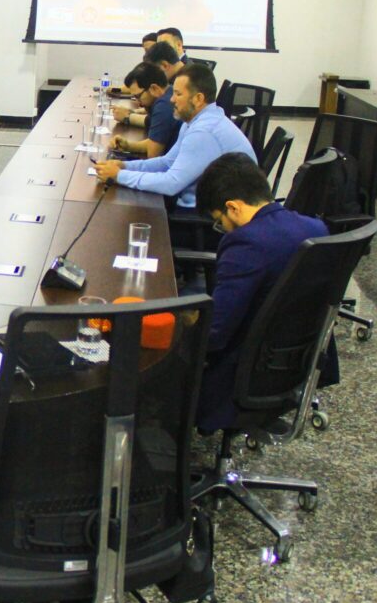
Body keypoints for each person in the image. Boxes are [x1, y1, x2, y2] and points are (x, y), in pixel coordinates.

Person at [192, 153, 330, 430]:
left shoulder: (245, 244)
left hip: (241, 377)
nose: (222, 230)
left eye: (219, 221)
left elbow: (214, 334)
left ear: (232, 207)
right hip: (297, 367)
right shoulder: (317, 229)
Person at [94, 64, 255, 217]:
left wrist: (119, 176)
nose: (171, 99)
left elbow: (171, 184)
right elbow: (167, 162)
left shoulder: (204, 132)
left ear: (198, 99)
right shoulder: (195, 121)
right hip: (200, 206)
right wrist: (124, 166)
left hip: (207, 218)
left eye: (178, 94)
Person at [113, 62, 181, 158]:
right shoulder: (168, 92)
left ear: (154, 88)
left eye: (138, 96)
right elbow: (155, 143)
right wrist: (128, 146)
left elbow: (153, 155)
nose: (138, 103)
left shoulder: (163, 107)